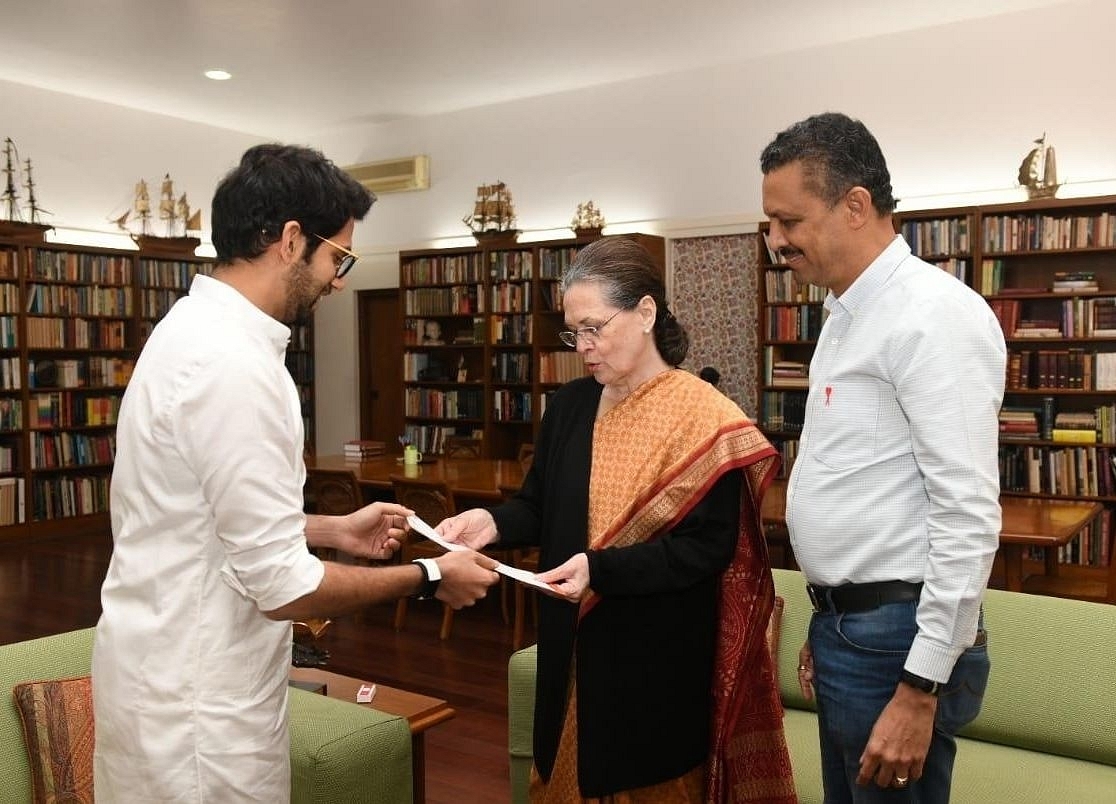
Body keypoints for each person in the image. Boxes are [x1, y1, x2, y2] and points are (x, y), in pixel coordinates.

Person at [92, 143, 500, 802]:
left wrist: (333, 529)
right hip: (201, 714)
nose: (339, 279)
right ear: (289, 240)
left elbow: (205, 511)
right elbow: (282, 586)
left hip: (158, 680)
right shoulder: (237, 368)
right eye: (338, 257)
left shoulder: (186, 330)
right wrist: (428, 573)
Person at [438, 237, 796, 803]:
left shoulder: (705, 418)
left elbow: (705, 551)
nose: (582, 346)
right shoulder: (572, 406)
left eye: (594, 328)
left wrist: (599, 571)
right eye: (573, 332)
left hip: (654, 660)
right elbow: (539, 504)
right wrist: (492, 523)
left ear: (646, 312)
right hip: (569, 649)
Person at [760, 113, 1006, 802]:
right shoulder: (846, 314)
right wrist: (828, 613)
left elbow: (966, 515)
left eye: (788, 221)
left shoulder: (933, 316)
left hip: (898, 643)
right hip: (856, 631)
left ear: (856, 205)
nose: (775, 241)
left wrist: (921, 687)